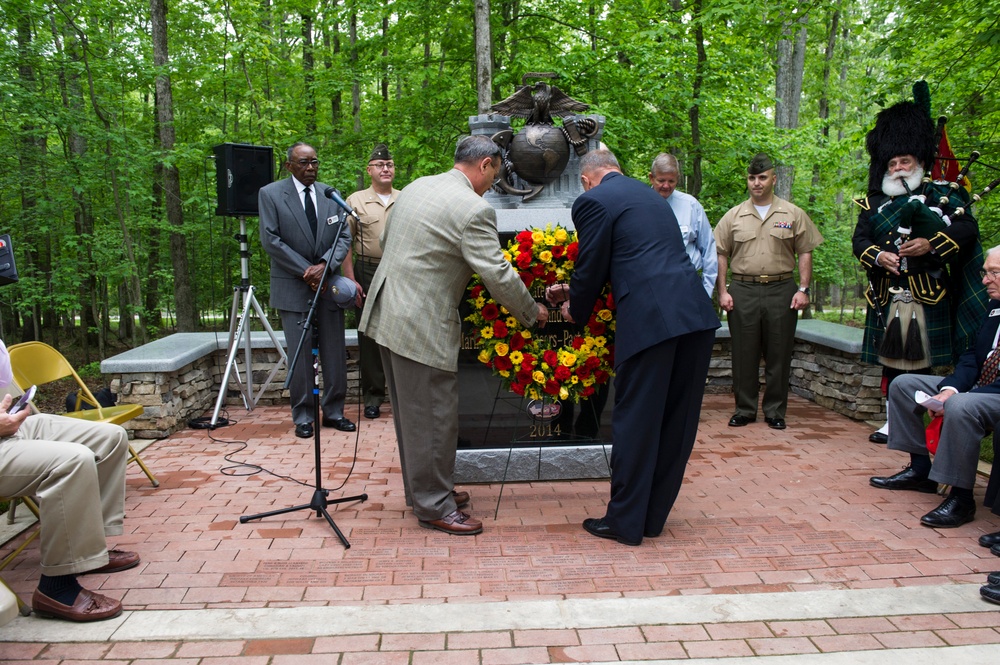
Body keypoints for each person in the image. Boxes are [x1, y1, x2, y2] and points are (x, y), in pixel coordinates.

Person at [359, 135, 548, 535]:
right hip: (420, 322)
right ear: (485, 164)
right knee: (433, 417)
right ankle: (433, 506)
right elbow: (496, 273)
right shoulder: (472, 209)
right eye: (496, 172)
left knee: (414, 417)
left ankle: (428, 490)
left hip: (388, 310)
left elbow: (387, 241)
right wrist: (533, 312)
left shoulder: (418, 186)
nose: (495, 182)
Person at [545, 149, 720, 546]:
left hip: (651, 322)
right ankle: (652, 517)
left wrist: (577, 308)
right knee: (676, 423)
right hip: (694, 315)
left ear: (586, 178)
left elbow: (592, 263)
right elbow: (639, 258)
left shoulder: (591, 200)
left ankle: (625, 522)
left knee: (636, 421)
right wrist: (577, 291)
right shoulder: (650, 197)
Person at [852, 99, 986, 444]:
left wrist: (932, 244)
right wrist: (878, 256)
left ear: (920, 162)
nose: (897, 168)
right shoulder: (873, 205)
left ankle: (921, 424)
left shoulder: (944, 195)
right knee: (891, 363)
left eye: (904, 161)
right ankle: (891, 421)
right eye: (892, 162)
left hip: (930, 293)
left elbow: (967, 230)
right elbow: (860, 241)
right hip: (887, 294)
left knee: (922, 366)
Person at [0, 339, 139, 622]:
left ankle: (89, 551)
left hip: (11, 427)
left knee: (110, 438)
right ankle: (56, 588)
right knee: (73, 461)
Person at [869, 246, 1000, 529]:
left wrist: (958, 396)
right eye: (985, 272)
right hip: (980, 385)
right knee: (904, 384)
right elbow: (972, 358)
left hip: (993, 394)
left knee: (961, 405)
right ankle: (920, 470)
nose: (985, 280)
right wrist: (951, 387)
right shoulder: (994, 309)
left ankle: (962, 499)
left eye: (994, 273)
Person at [714, 153, 823, 430]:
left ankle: (775, 410)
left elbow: (805, 251)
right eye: (752, 178)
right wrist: (723, 292)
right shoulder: (734, 216)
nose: (757, 183)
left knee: (779, 353)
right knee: (743, 354)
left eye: (762, 177)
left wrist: (803, 288)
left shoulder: (792, 213)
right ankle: (745, 409)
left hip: (782, 289)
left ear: (774, 179)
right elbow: (720, 254)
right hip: (743, 290)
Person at [259, 142, 356, 439]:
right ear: (289, 166)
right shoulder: (271, 194)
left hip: (328, 284)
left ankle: (335, 411)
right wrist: (307, 271)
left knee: (334, 351)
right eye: (304, 163)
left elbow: (343, 235)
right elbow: (271, 241)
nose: (311, 168)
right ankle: (303, 415)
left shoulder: (330, 194)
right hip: (293, 285)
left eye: (314, 162)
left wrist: (324, 266)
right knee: (300, 354)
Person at [341, 144, 400, 420]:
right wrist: (351, 280)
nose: (385, 168)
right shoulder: (355, 201)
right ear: (369, 170)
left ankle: (403, 396)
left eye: (389, 164)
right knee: (369, 337)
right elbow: (345, 244)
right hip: (367, 271)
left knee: (402, 334)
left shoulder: (406, 198)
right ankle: (373, 397)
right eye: (380, 165)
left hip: (400, 271)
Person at [649, 153, 717, 297]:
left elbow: (709, 250)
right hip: (652, 287)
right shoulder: (638, 205)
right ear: (651, 178)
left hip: (688, 285)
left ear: (677, 179)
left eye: (671, 181)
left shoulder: (691, 205)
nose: (666, 186)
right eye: (661, 180)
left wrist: (706, 291)